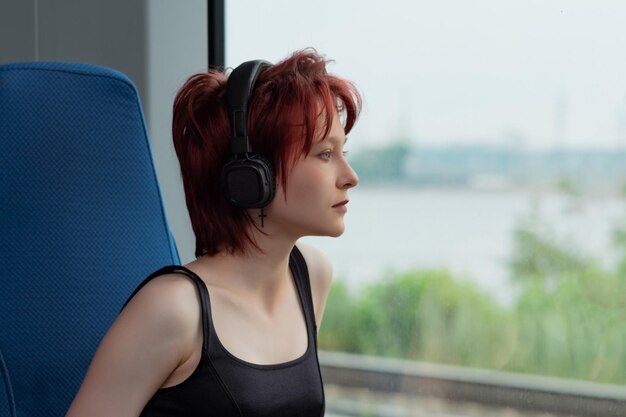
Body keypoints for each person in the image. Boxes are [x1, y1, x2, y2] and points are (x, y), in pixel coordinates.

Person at [66, 48, 361, 416]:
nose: (350, 177)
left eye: (342, 151)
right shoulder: (173, 308)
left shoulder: (311, 275)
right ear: (253, 176)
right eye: (325, 154)